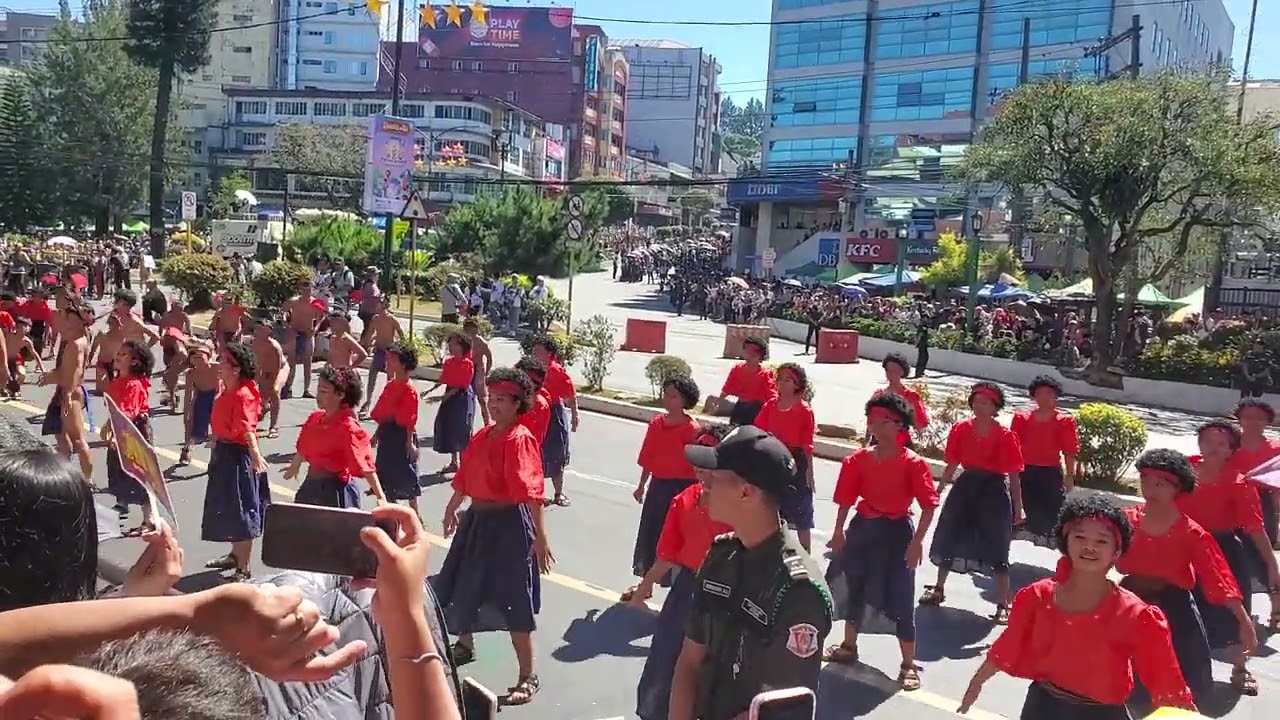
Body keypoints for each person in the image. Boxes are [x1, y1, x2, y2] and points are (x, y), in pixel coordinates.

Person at [958, 494, 1195, 718]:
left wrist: (1183, 713)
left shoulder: (1135, 615)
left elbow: (1166, 680)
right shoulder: (1038, 597)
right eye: (1080, 537)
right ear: (1065, 541)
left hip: (1100, 715)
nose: (1089, 547)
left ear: (1117, 551)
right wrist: (978, 680)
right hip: (1043, 709)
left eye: (1102, 541)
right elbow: (1010, 644)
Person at [670, 425, 834, 720]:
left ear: (746, 492)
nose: (704, 482)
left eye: (714, 476)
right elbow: (690, 660)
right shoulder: (722, 556)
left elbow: (778, 707)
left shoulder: (798, 590)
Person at [432, 368, 553, 706]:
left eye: (502, 399)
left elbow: (531, 492)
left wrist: (540, 536)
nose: (494, 404)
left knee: (515, 598)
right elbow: (466, 476)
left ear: (518, 404)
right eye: (492, 397)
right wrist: (451, 508)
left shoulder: (520, 439)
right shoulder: (483, 435)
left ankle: (527, 675)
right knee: (462, 583)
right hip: (477, 522)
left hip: (509, 526)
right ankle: (465, 646)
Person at [1117, 448, 1253, 706]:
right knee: (1119, 676)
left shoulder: (1191, 532)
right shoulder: (1124, 521)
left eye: (1160, 484)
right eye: (1145, 481)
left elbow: (1219, 578)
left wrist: (1244, 622)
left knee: (1184, 677)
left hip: (1174, 610)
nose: (1151, 489)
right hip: (1128, 603)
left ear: (1178, 489)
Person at [824, 392, 938, 691]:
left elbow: (928, 505)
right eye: (872, 420)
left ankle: (908, 665)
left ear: (899, 425)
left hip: (897, 533)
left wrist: (917, 543)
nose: (876, 426)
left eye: (883, 420)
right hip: (863, 529)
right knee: (853, 584)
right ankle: (848, 647)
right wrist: (838, 532)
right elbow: (845, 499)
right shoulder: (858, 460)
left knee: (900, 595)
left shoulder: (913, 463)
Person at [632, 426, 732, 720]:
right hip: (687, 590)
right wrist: (643, 588)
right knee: (667, 659)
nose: (702, 472)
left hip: (727, 595)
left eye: (709, 464)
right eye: (698, 464)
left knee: (715, 670)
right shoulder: (684, 500)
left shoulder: (741, 505)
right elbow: (666, 554)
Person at [1178, 420, 1280, 695]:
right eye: (1207, 441)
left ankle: (1239, 669)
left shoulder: (1238, 482)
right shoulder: (1183, 470)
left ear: (1231, 450)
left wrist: (1271, 564)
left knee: (1234, 615)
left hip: (1222, 552)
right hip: (1182, 547)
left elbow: (1255, 528)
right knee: (1179, 610)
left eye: (1221, 443)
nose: (1212, 447)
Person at [920, 381, 1025, 623]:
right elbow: (952, 463)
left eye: (986, 402)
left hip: (994, 493)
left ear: (995, 407)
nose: (980, 406)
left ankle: (1003, 604)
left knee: (998, 545)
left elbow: (1014, 476)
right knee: (949, 534)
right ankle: (938, 589)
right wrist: (939, 488)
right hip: (966, 489)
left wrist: (1019, 508)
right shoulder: (961, 429)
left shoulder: (1006, 436)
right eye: (977, 401)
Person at [626, 376, 702, 600]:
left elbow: (698, 467)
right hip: (658, 488)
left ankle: (678, 592)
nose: (667, 400)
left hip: (682, 490)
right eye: (666, 394)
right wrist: (642, 485)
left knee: (677, 539)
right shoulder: (656, 423)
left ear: (685, 400)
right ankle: (646, 584)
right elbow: (648, 455)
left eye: (673, 396)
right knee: (652, 534)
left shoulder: (691, 429)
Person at [201, 341, 270, 582]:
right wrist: (215, 438)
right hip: (224, 452)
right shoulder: (227, 390)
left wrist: (256, 456)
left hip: (240, 457)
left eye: (223, 361)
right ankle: (234, 556)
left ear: (236, 368)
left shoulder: (245, 394)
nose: (218, 364)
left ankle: (243, 568)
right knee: (229, 509)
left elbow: (247, 428)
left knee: (243, 511)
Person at [286, 366, 387, 507]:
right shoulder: (314, 419)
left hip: (336, 491)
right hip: (311, 487)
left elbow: (366, 465)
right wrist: (294, 465)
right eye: (318, 390)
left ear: (340, 395)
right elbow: (303, 448)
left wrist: (381, 498)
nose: (318, 395)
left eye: (324, 391)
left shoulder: (348, 428)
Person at [753, 362, 817, 551]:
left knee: (801, 512)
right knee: (772, 508)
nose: (781, 383)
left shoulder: (805, 411)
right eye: (779, 379)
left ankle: (806, 557)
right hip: (773, 457)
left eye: (788, 379)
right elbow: (758, 432)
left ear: (798, 384)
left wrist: (809, 474)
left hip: (796, 461)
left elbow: (807, 445)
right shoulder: (770, 406)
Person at [1010, 375, 1080, 548]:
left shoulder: (1064, 421)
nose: (1044, 397)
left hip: (1050, 472)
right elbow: (1012, 447)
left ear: (1056, 396)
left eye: (1049, 393)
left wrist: (1070, 475)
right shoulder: (1021, 419)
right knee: (1015, 509)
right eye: (1040, 393)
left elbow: (1069, 451)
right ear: (1034, 396)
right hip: (1024, 471)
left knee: (1052, 512)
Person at [41, 291, 94, 484]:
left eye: (69, 317)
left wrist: (66, 395)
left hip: (69, 394)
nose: (65, 319)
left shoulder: (75, 344)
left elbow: (72, 373)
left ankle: (88, 481)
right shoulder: (75, 338)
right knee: (62, 440)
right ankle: (64, 477)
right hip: (65, 392)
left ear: (79, 322)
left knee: (78, 440)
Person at [102, 339, 154, 524]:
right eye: (119, 352)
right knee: (117, 467)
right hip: (120, 426)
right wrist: (109, 424)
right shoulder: (118, 381)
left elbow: (129, 412)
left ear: (134, 362)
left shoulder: (134, 384)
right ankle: (122, 501)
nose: (118, 356)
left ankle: (149, 517)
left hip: (134, 429)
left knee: (138, 472)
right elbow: (115, 408)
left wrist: (118, 435)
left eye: (123, 355)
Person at [370, 342, 422, 512]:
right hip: (387, 435)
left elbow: (409, 419)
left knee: (406, 474)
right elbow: (383, 413)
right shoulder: (391, 385)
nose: (390, 362)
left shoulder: (409, 389)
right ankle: (391, 510)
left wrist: (410, 442)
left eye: (394, 359)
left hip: (401, 436)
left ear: (404, 364)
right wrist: (377, 435)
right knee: (386, 473)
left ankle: (415, 512)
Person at [531, 335, 578, 506]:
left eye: (539, 351)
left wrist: (574, 415)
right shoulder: (530, 369)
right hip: (534, 413)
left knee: (557, 455)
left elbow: (570, 394)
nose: (535, 354)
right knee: (534, 454)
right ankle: (535, 492)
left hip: (553, 415)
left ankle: (558, 494)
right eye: (534, 350)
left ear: (549, 353)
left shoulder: (557, 371)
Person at [423, 333, 476, 474]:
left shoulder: (467, 363)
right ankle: (454, 462)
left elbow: (460, 386)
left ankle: (464, 466)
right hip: (449, 395)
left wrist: (441, 398)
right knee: (449, 428)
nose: (450, 347)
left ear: (462, 346)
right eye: (450, 344)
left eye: (454, 344)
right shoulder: (449, 362)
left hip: (462, 398)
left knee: (462, 429)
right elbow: (443, 379)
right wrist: (429, 391)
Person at [1232, 398, 1280, 548]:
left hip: (1264, 501)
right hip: (1231, 497)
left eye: (1260, 418)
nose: (1253, 422)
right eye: (1248, 417)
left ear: (1268, 421)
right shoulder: (1227, 444)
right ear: (1239, 419)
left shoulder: (1276, 449)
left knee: (1264, 544)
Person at [713, 337, 775, 426]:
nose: (749, 355)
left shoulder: (765, 373)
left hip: (757, 410)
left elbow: (771, 396)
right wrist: (717, 404)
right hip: (740, 408)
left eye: (754, 353)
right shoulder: (737, 369)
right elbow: (727, 388)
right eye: (747, 351)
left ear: (760, 355)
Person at [358, 296, 402, 417]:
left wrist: (399, 348)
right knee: (372, 376)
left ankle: (390, 406)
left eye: (379, 302)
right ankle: (368, 403)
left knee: (390, 381)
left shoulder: (391, 319)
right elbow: (369, 334)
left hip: (389, 353)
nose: (377, 304)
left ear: (384, 304)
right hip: (379, 351)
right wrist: (363, 344)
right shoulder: (375, 319)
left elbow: (401, 333)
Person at [179, 343, 220, 466]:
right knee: (193, 426)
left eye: (200, 357)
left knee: (217, 428)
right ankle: (187, 448)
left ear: (208, 357)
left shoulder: (216, 367)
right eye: (194, 358)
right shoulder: (191, 373)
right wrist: (186, 412)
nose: (197, 361)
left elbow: (224, 384)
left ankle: (215, 457)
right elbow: (188, 395)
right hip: (201, 397)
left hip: (217, 396)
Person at [281, 283, 324, 399]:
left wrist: (315, 329)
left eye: (308, 291)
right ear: (301, 290)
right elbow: (283, 311)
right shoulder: (294, 301)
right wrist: (287, 324)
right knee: (292, 360)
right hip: (295, 331)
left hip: (308, 333)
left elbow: (322, 316)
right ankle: (288, 387)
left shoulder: (315, 303)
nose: (306, 293)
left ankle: (306, 389)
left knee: (307, 362)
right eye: (304, 290)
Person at [871, 353, 929, 433]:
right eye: (888, 370)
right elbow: (870, 422)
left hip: (900, 440)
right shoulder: (878, 395)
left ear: (902, 372)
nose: (890, 374)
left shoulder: (911, 396)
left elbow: (921, 425)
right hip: (879, 440)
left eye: (895, 370)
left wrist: (911, 412)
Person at [249, 320, 286, 439]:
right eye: (256, 329)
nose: (257, 331)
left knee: (273, 391)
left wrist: (269, 385)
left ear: (268, 331)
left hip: (280, 369)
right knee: (258, 393)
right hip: (264, 371)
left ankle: (273, 427)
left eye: (260, 329)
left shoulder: (274, 346)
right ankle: (265, 408)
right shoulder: (254, 343)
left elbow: (277, 368)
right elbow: (256, 363)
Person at [462, 318, 493, 426]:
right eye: (468, 329)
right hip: (466, 370)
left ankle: (487, 423)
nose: (470, 332)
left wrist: (487, 372)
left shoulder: (481, 342)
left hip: (478, 370)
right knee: (463, 397)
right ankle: (464, 423)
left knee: (482, 399)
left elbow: (489, 357)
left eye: (473, 329)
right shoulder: (463, 341)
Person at [515, 357, 551, 445]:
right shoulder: (504, 394)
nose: (530, 384)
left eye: (535, 382)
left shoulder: (540, 406)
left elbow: (534, 441)